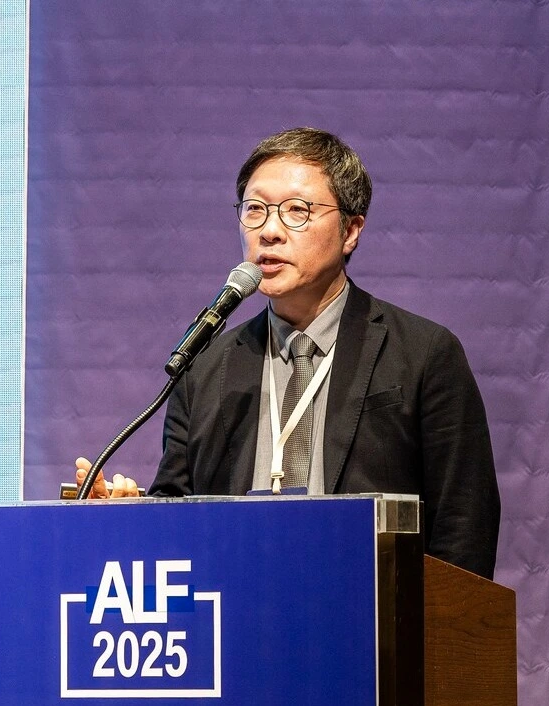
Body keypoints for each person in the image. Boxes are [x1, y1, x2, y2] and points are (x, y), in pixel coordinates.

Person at [77, 127, 500, 578]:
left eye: (297, 210)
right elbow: (179, 519)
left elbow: (464, 524)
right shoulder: (204, 368)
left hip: (372, 613)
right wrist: (128, 518)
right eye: (254, 210)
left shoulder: (423, 354)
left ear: (351, 230)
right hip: (239, 609)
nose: (269, 231)